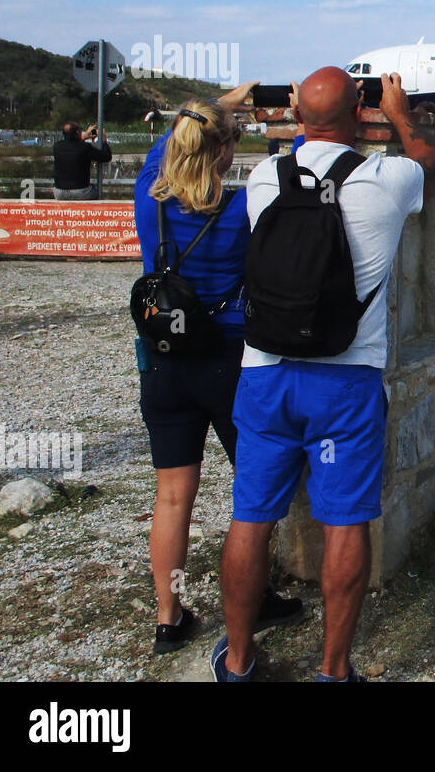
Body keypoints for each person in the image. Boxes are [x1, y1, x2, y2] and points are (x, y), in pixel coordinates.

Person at [213, 68, 435, 683]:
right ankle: (334, 671)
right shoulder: (387, 178)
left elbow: (290, 145)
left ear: (294, 109)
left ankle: (237, 661)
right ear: (361, 106)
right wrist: (397, 115)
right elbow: (429, 158)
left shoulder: (264, 178)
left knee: (250, 517)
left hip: (264, 374)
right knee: (344, 521)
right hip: (345, 383)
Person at [133, 83, 302, 655]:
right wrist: (300, 116)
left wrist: (223, 102)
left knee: (173, 496)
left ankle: (168, 613)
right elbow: (306, 159)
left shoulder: (147, 195)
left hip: (161, 363)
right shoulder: (239, 209)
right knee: (250, 492)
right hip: (228, 361)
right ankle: (252, 599)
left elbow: (176, 138)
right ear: (227, 151)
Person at [53, 122, 112, 200]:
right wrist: (103, 141)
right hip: (80, 191)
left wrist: (82, 137)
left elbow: (72, 147)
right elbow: (106, 157)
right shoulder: (85, 147)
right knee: (98, 191)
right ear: (78, 132)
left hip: (59, 192)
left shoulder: (57, 146)